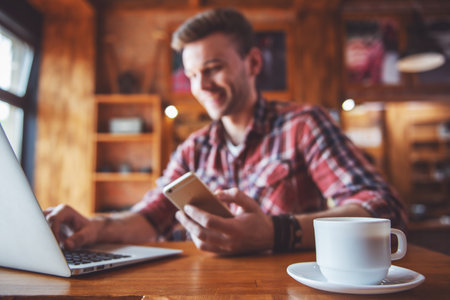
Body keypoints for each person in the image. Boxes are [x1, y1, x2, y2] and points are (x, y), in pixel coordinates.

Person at [45, 8, 407, 255]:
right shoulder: (193, 149)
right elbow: (149, 218)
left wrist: (275, 231)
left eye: (213, 68)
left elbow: (383, 210)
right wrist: (94, 227)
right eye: (191, 75)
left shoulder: (303, 125)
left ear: (252, 62)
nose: (201, 86)